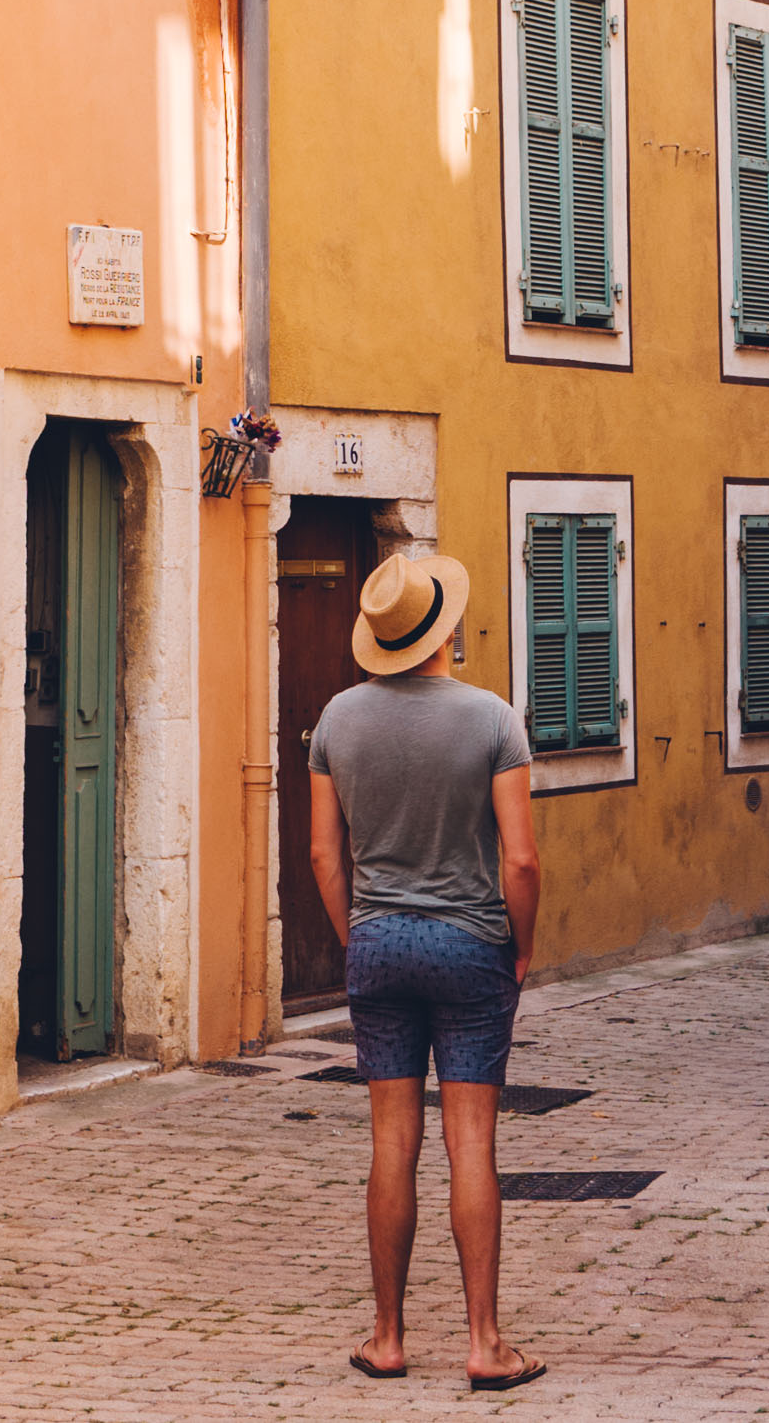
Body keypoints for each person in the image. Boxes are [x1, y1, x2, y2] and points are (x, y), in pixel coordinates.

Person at [308, 549, 544, 1391]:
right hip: (471, 945)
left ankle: (387, 1337)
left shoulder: (336, 720)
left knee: (391, 1144)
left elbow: (323, 855)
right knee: (470, 1141)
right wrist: (521, 944)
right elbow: (521, 859)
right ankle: (485, 1344)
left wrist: (359, 937)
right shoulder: (493, 721)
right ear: (446, 631)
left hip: (379, 943)